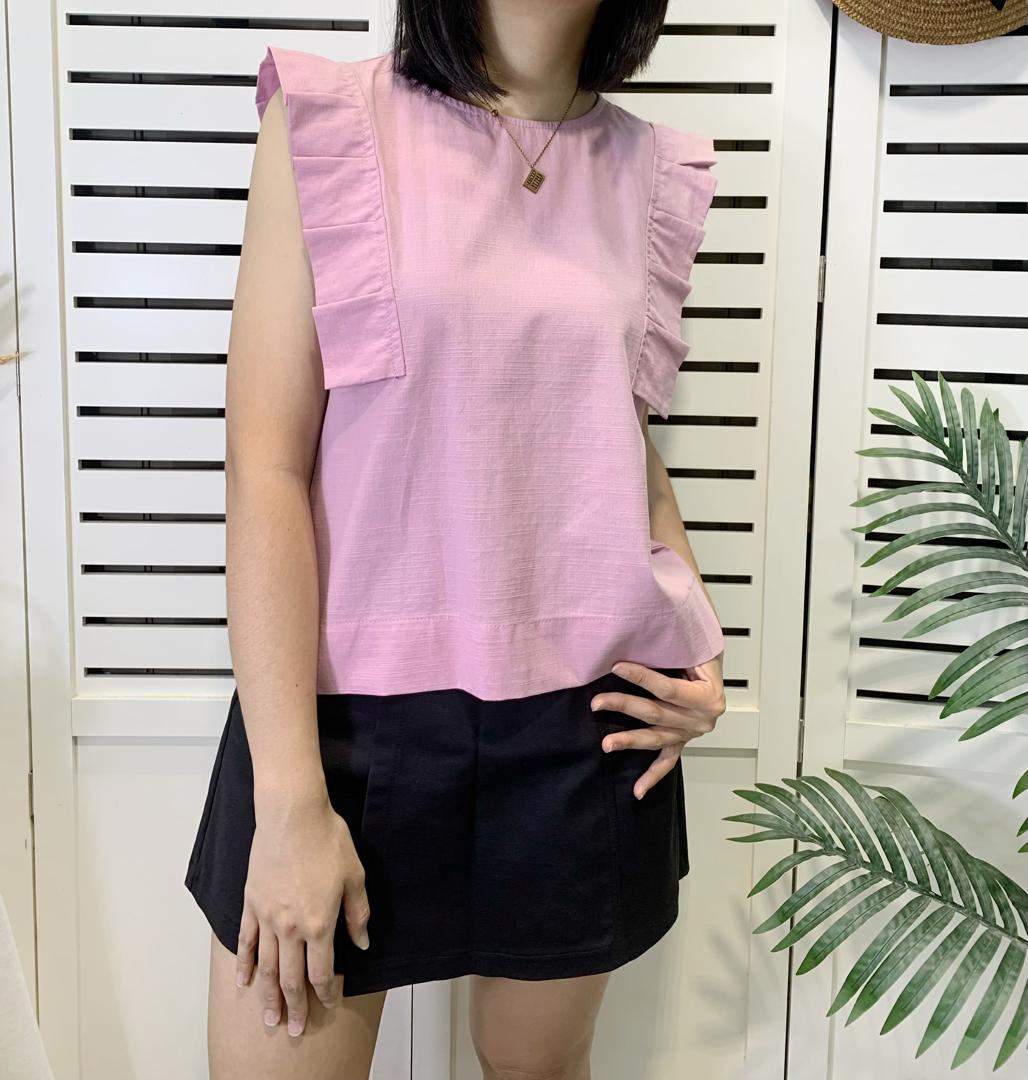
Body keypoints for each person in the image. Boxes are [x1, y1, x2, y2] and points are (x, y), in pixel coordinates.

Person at [183, 1, 727, 1076]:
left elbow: (618, 444)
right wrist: (289, 799)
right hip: (336, 724)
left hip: (582, 724)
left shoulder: (648, 173)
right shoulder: (330, 123)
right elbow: (265, 466)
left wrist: (697, 651)